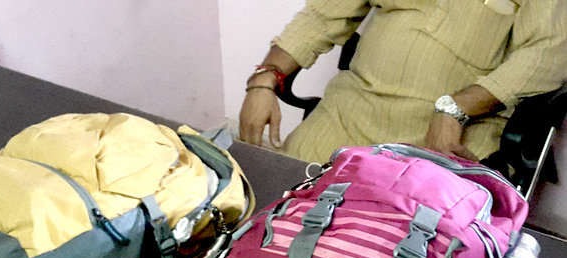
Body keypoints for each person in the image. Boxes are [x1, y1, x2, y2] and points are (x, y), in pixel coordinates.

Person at [238, 1, 567, 165]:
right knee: (279, 204)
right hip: (348, 113)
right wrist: (265, 77)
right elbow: (323, 16)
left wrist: (456, 108)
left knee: (400, 249)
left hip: (448, 130)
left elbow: (547, 54)